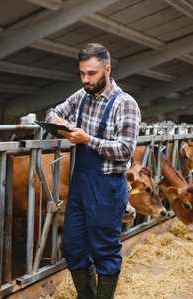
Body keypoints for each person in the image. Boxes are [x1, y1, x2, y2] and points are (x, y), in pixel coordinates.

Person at [45, 43, 141, 298]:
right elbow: (53, 111)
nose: (86, 80)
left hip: (107, 187)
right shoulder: (82, 96)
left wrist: (87, 139)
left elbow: (125, 151)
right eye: (82, 73)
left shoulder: (125, 104)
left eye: (92, 74)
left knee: (104, 250)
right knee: (73, 246)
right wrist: (58, 121)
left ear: (107, 70)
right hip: (80, 185)